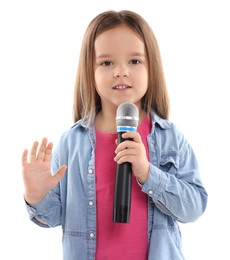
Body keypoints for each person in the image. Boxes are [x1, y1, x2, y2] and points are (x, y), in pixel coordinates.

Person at [22, 10, 208, 260]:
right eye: (107, 62)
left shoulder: (169, 138)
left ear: (151, 66)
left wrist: (147, 172)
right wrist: (36, 196)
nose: (121, 71)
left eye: (134, 61)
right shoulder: (71, 142)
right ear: (91, 71)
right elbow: (52, 217)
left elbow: (194, 207)